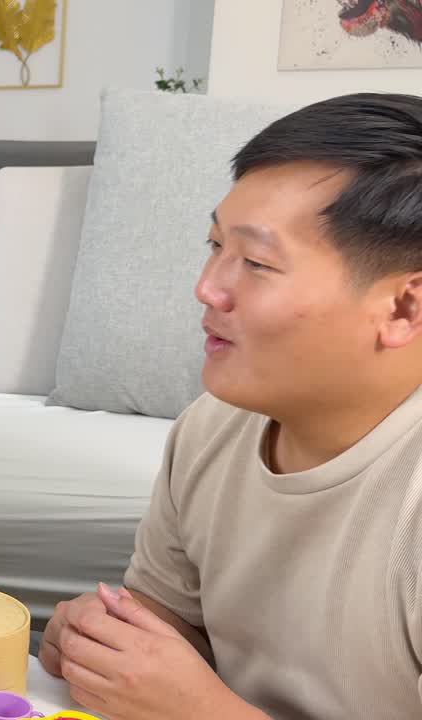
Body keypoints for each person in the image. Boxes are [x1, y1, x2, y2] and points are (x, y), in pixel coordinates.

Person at [40, 93, 422, 719]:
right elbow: (172, 621)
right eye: (214, 244)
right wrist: (109, 643)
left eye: (257, 262)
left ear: (403, 309)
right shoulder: (213, 428)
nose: (207, 286)